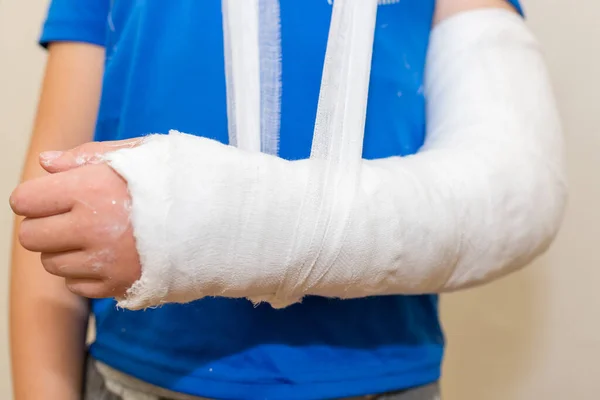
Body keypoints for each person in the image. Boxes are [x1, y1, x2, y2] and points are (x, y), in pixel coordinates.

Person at [10, 0, 566, 399]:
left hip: (381, 377)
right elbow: (50, 200)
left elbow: (514, 189)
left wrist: (181, 219)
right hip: (138, 377)